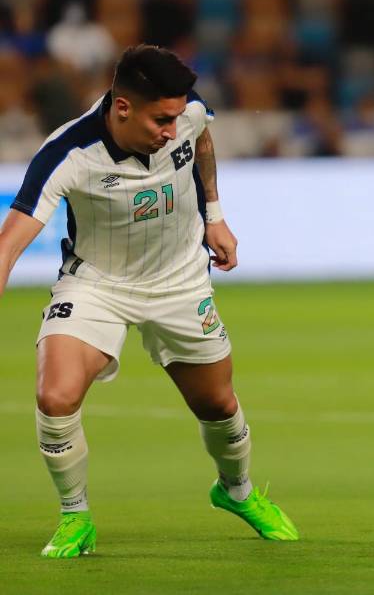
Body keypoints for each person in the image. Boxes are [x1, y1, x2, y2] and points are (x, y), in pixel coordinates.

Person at [0, 45, 298, 558]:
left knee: (218, 404)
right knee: (55, 396)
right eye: (161, 120)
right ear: (122, 107)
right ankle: (75, 516)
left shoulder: (188, 113)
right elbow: (8, 244)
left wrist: (215, 215)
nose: (171, 129)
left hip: (180, 280)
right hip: (97, 286)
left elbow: (202, 140)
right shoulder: (66, 154)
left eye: (176, 117)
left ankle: (236, 491)